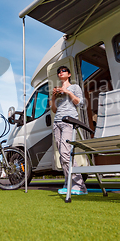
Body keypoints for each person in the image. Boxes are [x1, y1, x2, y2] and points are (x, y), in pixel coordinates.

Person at [50, 65, 88, 195]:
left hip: (69, 121)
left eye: (63, 71)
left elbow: (80, 103)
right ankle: (68, 183)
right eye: (59, 72)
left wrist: (68, 92)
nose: (61, 73)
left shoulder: (74, 87)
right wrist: (54, 96)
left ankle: (80, 186)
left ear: (69, 74)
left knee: (65, 153)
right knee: (62, 156)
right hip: (57, 123)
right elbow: (54, 110)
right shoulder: (58, 89)